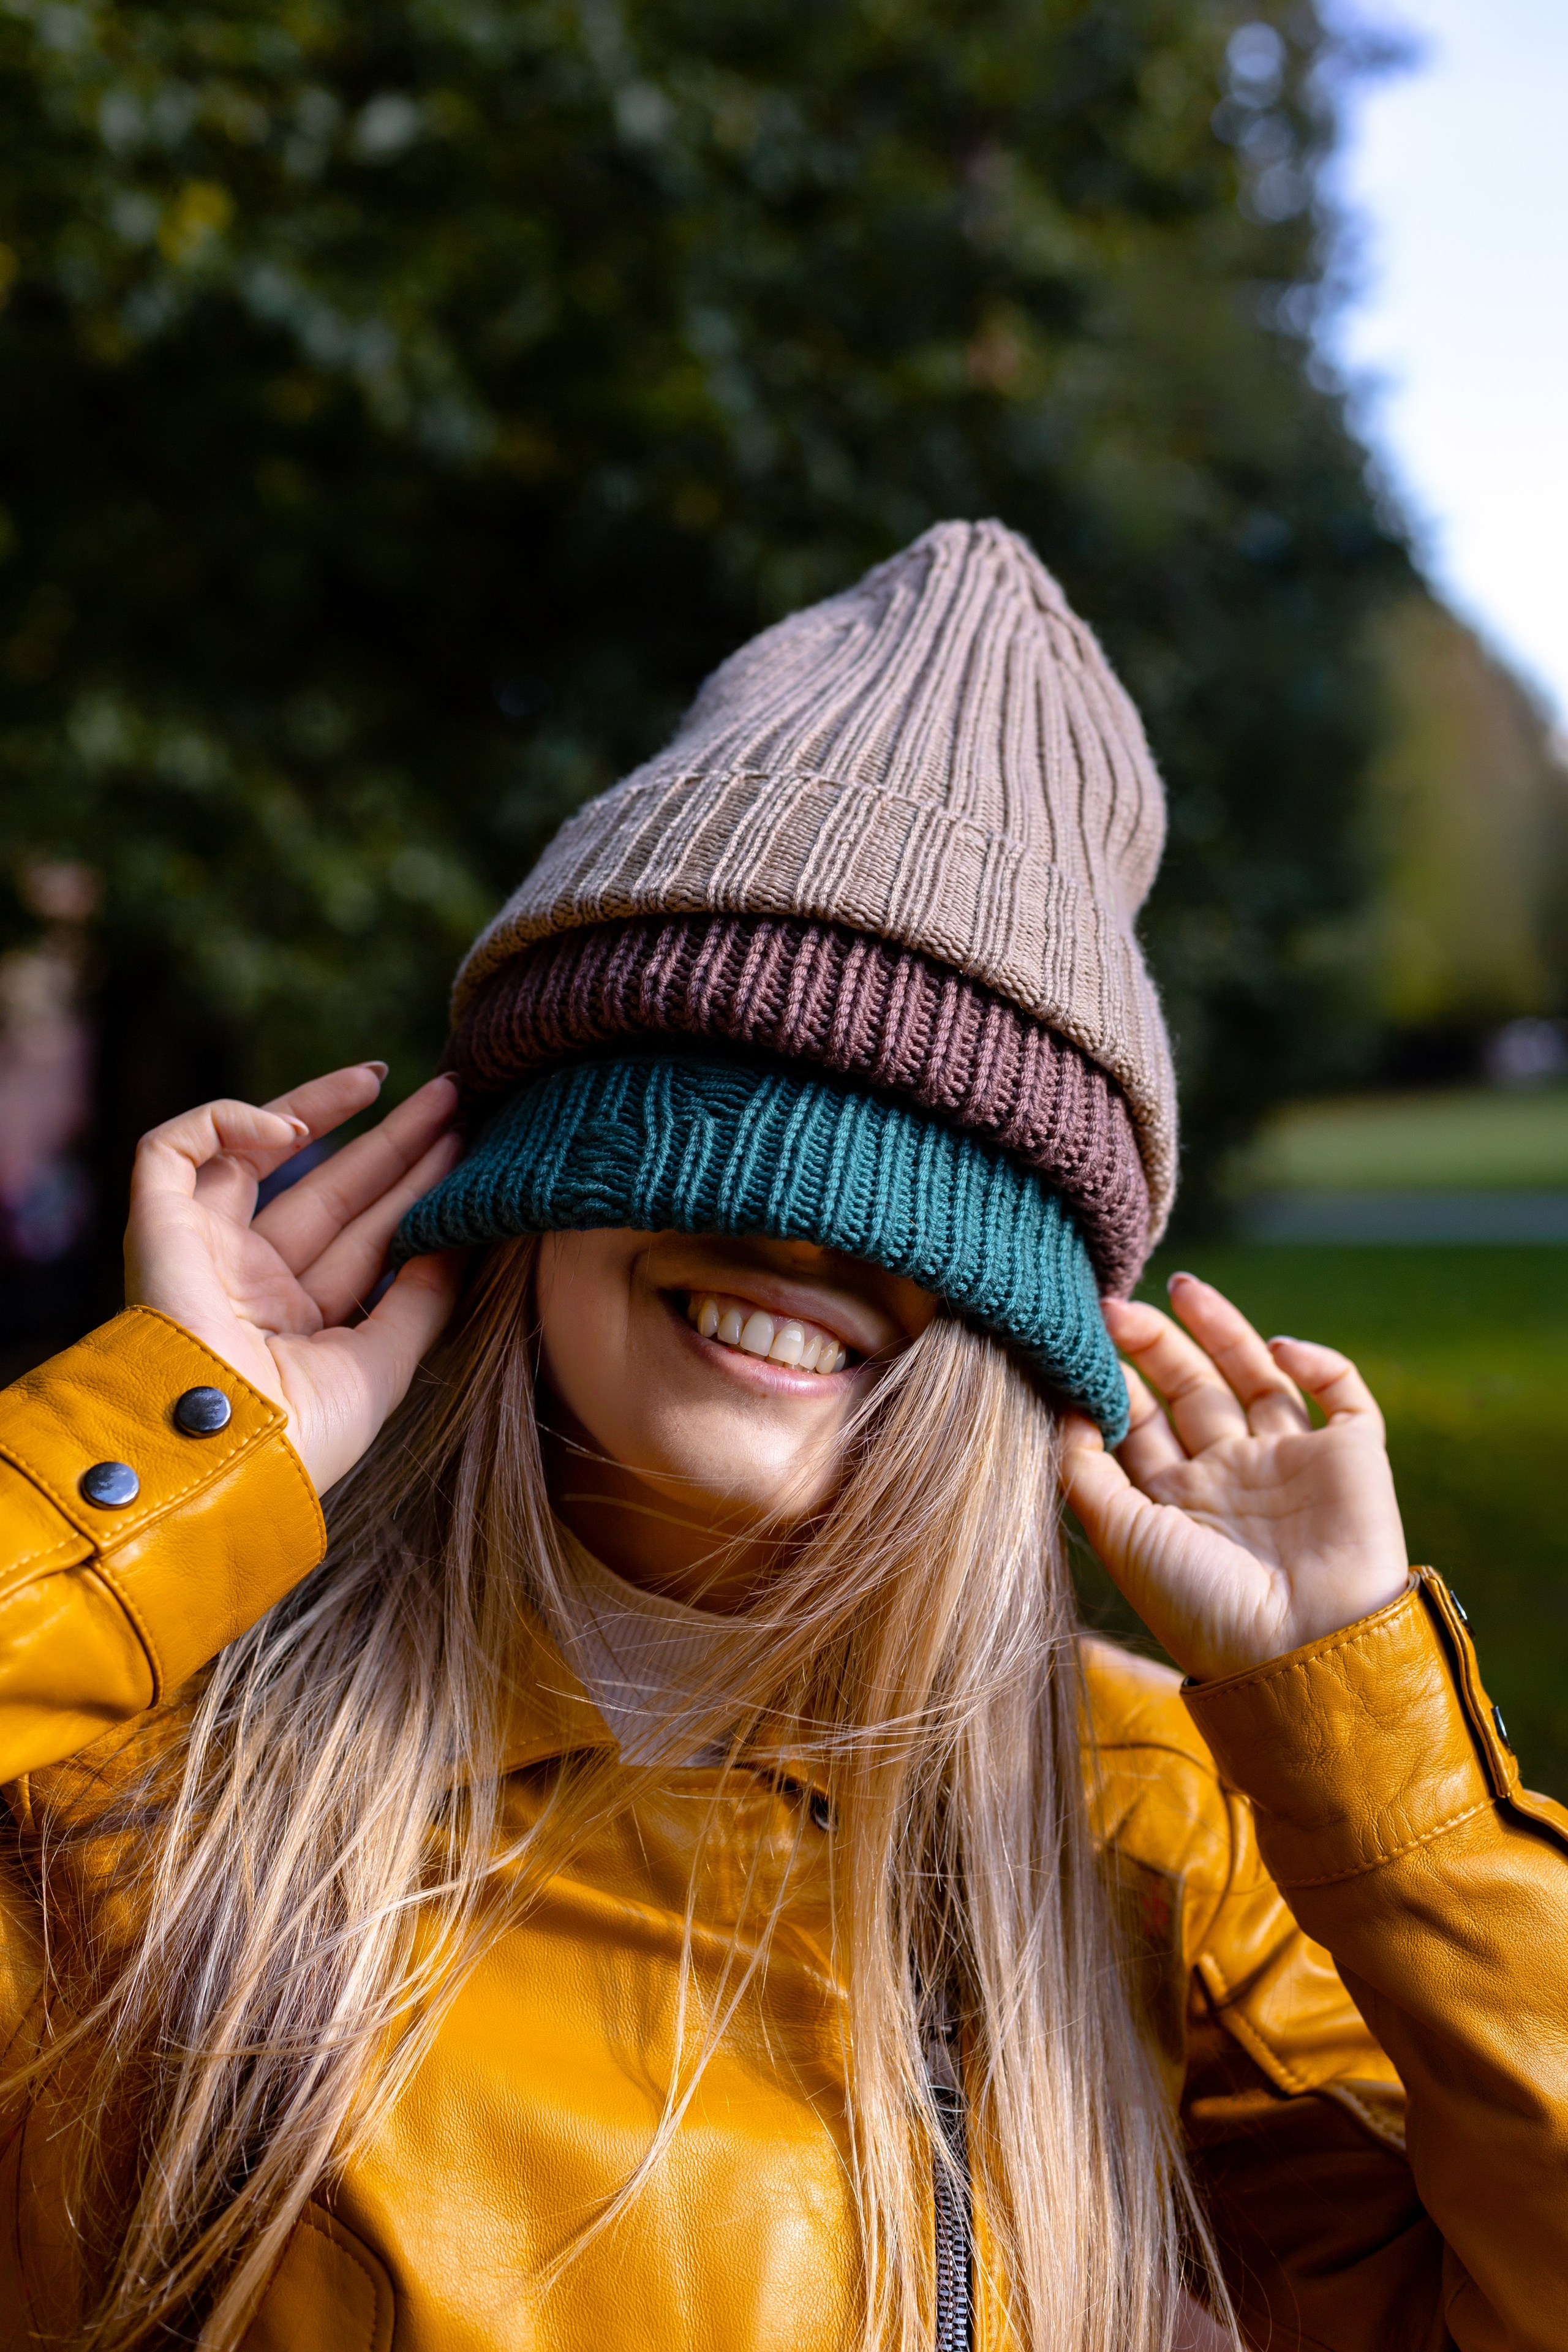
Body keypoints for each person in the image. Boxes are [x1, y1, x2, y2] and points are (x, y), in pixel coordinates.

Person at [0, 524, 1561, 2352]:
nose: (806, 1236)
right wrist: (143, 1466)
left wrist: (1374, 1759)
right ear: (531, 1176)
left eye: (929, 1176)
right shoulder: (148, 1781)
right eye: (716, 1096)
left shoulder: (1149, 1842)